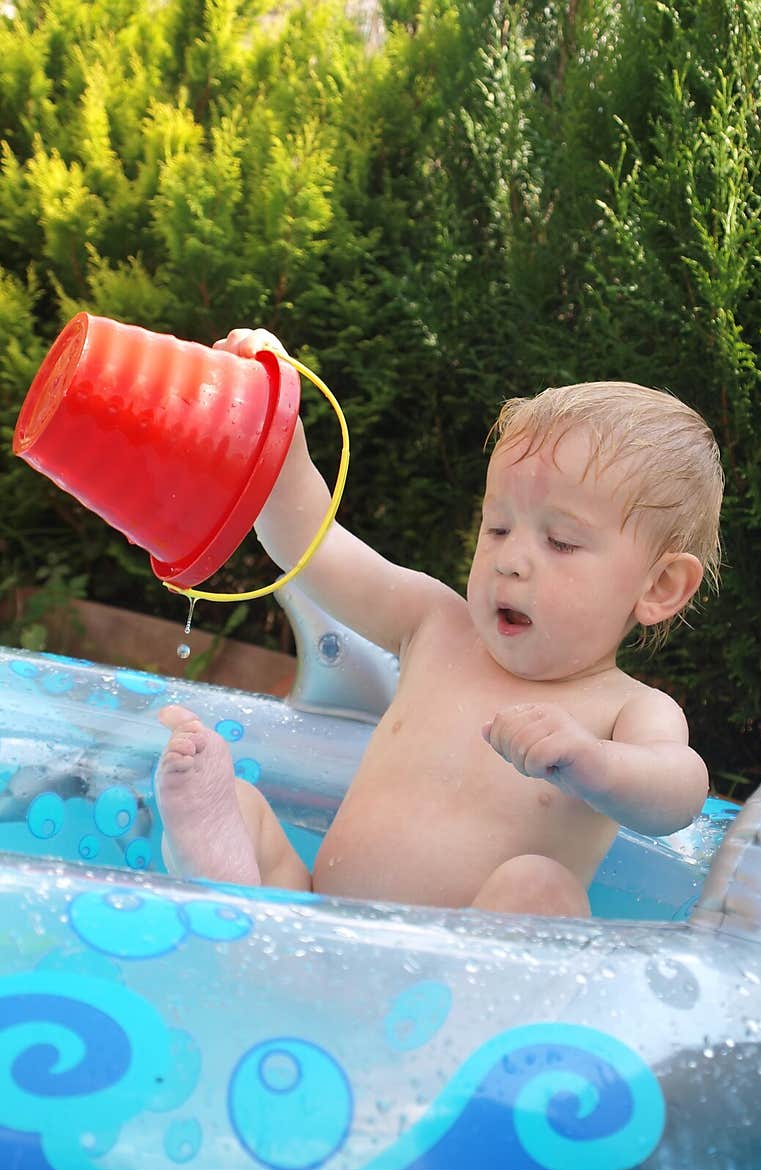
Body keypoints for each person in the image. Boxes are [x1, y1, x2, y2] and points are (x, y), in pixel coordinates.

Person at [156, 328, 724, 918]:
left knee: (539, 886)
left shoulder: (626, 710)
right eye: (498, 527)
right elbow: (311, 546)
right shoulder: (436, 625)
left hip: (454, 974)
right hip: (314, 917)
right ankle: (235, 909)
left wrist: (591, 762)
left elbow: (678, 794)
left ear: (659, 587)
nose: (510, 559)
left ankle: (241, 925)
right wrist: (278, 430)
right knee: (240, 806)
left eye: (560, 542)